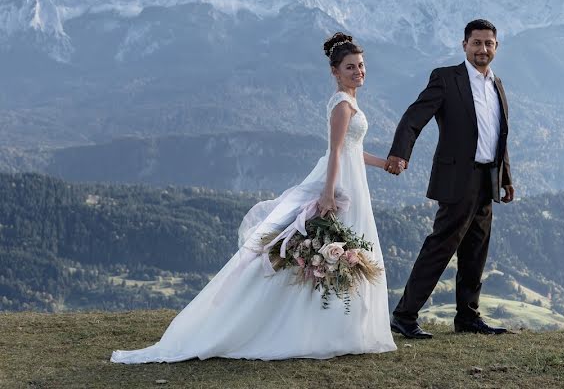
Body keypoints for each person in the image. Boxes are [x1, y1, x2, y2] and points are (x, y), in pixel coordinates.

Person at [111, 33, 396, 362]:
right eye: (350, 67)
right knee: (322, 253)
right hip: (340, 185)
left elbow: (352, 150)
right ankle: (307, 328)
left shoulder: (349, 101)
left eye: (361, 65)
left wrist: (382, 163)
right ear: (335, 71)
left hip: (351, 179)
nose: (358, 71)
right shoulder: (343, 106)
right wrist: (328, 194)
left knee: (337, 255)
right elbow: (334, 152)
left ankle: (337, 327)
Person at [385, 19, 514, 339]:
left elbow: (499, 135)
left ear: (496, 47)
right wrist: (400, 153)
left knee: (476, 250)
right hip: (458, 177)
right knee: (440, 247)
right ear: (464, 45)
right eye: (476, 43)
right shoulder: (446, 79)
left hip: (488, 178)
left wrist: (506, 176)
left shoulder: (497, 83)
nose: (483, 49)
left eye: (489, 43)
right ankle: (404, 315)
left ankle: (468, 317)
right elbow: (413, 118)